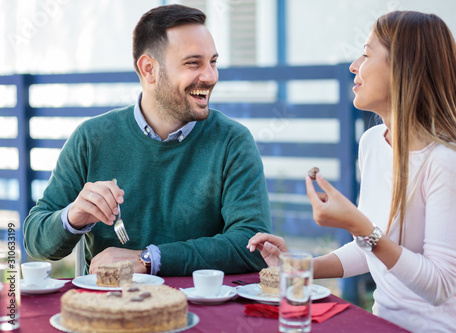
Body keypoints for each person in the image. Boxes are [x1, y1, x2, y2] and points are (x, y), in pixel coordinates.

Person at [247, 11, 456, 333]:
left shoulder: (447, 162)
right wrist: (298, 267)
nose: (353, 66)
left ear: (403, 69)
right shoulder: (374, 142)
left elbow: (439, 286)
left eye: (366, 53)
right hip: (381, 323)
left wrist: (359, 225)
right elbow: (372, 251)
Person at [23, 4, 272, 276]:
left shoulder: (232, 142)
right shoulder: (91, 139)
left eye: (213, 62)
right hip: (107, 309)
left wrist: (150, 259)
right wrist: (73, 217)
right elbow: (36, 242)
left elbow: (251, 245)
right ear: (149, 69)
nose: (211, 76)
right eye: (193, 63)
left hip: (202, 312)